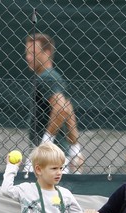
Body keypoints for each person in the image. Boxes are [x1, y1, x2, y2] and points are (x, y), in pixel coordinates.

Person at [25, 33, 84, 174]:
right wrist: (75, 149)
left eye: (33, 53)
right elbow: (67, 109)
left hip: (48, 160)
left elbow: (62, 109)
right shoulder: (53, 77)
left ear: (47, 52)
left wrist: (46, 143)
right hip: (57, 157)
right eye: (27, 53)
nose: (28, 57)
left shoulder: (47, 78)